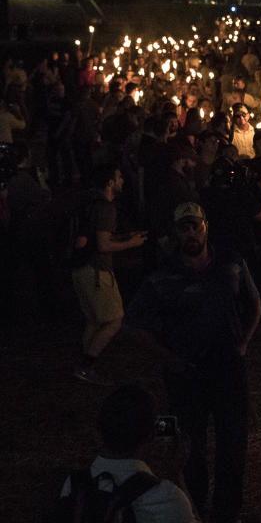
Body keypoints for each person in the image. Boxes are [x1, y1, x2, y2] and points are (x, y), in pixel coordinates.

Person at [124, 202, 261, 523]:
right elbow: (131, 324)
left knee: (232, 441)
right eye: (183, 227)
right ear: (175, 232)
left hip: (228, 367)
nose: (190, 232)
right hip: (187, 373)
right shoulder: (162, 276)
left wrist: (244, 341)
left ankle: (228, 511)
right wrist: (168, 357)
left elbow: (254, 301)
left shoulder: (231, 263)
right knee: (191, 443)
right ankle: (194, 506)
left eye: (195, 226)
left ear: (205, 226)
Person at [58, 385, 199, 523]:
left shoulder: (73, 485)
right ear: (151, 435)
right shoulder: (164, 498)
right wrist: (176, 475)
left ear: (99, 431)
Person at [72, 162, 148, 385]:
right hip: (96, 271)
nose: (122, 181)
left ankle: (82, 364)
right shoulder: (106, 207)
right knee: (115, 320)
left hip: (81, 269)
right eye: (119, 177)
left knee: (95, 321)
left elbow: (98, 238)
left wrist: (125, 237)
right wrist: (131, 244)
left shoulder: (89, 203)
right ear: (110, 183)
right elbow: (103, 246)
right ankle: (86, 366)